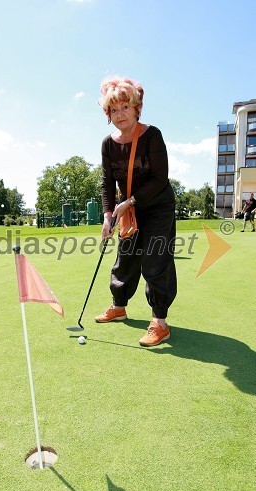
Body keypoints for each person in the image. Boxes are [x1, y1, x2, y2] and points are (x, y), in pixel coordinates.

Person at [95, 76, 177, 347]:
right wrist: (108, 215)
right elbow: (107, 183)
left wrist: (128, 202)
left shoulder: (152, 135)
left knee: (155, 259)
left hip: (157, 206)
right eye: (113, 110)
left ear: (136, 107)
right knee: (126, 257)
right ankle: (119, 307)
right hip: (127, 208)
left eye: (125, 108)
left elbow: (160, 179)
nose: (120, 114)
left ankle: (160, 323)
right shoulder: (108, 143)